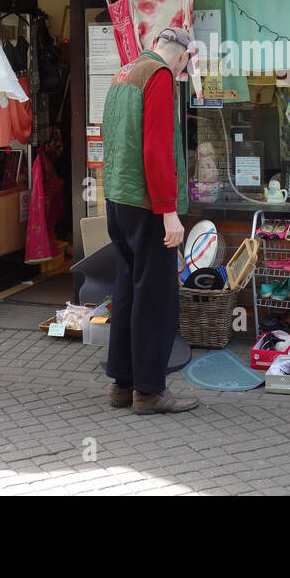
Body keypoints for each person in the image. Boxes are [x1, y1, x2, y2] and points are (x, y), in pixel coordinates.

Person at [101, 27, 200, 414]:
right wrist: (168, 212)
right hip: (147, 204)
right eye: (186, 64)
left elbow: (115, 139)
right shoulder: (159, 77)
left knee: (127, 291)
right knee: (155, 297)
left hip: (117, 199)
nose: (182, 71)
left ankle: (122, 385)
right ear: (181, 56)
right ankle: (149, 391)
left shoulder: (123, 73)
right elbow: (157, 148)